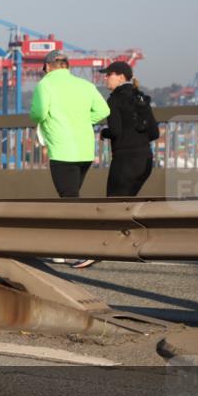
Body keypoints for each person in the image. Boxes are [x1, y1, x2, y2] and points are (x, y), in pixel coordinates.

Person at [72, 62, 159, 269]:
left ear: (121, 77)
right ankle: (132, 248)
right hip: (145, 160)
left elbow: (117, 131)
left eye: (108, 75)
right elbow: (154, 133)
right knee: (126, 206)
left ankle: (95, 253)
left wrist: (105, 133)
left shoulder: (115, 100)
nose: (105, 78)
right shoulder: (140, 97)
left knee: (111, 208)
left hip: (125, 160)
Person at [30, 50, 110, 198]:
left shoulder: (45, 85)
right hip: (85, 151)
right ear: (67, 66)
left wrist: (39, 118)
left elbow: (39, 113)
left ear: (47, 67)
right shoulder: (86, 85)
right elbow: (104, 110)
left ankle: (82, 221)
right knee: (73, 194)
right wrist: (84, 120)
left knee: (68, 198)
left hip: (62, 150)